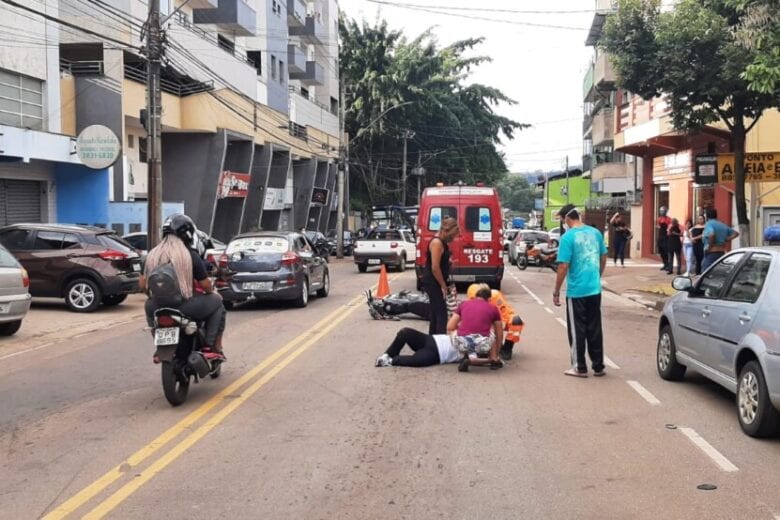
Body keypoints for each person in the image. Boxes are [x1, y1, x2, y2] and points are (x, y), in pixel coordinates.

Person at [141, 214, 226, 359]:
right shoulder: (189, 255)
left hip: (156, 306)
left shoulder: (151, 255)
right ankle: (210, 346)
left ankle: (159, 346)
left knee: (148, 306)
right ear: (187, 234)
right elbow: (206, 286)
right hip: (185, 307)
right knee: (217, 302)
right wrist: (211, 291)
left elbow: (143, 286)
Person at [552, 204, 607, 378]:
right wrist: (597, 276)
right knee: (594, 327)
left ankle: (579, 366)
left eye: (562, 220)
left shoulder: (568, 238)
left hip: (577, 291)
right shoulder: (595, 233)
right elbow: (603, 257)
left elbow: (563, 266)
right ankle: (598, 366)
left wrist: (556, 291)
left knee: (577, 329)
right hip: (594, 288)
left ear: (567, 219)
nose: (563, 223)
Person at [447, 283, 504, 371]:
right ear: (489, 299)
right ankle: (493, 359)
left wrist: (461, 329)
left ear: (475, 296)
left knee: (458, 331)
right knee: (493, 332)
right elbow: (499, 333)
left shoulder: (463, 304)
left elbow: (450, 326)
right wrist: (497, 351)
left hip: (460, 343)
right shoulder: (493, 308)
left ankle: (465, 355)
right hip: (482, 344)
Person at [464, 283, 525, 361]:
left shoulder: (496, 297)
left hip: (498, 321)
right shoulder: (471, 297)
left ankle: (507, 348)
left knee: (516, 321)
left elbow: (504, 314)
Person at [420, 216, 459, 335]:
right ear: (445, 231)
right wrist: (443, 286)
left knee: (435, 312)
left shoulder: (442, 242)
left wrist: (448, 263)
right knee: (441, 313)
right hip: (433, 282)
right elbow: (435, 267)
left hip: (435, 281)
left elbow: (439, 263)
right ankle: (440, 342)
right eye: (452, 235)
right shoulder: (437, 243)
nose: (453, 238)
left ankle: (432, 339)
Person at [374, 327, 460, 368]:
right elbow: (449, 327)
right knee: (405, 332)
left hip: (438, 353)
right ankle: (388, 355)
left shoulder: (472, 346)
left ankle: (390, 361)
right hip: (432, 339)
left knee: (417, 360)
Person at [657, 207, 672, 271]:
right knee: (661, 251)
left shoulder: (669, 219)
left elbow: (670, 226)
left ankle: (668, 265)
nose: (662, 212)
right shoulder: (659, 219)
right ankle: (665, 264)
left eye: (663, 211)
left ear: (666, 211)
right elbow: (658, 226)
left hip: (666, 237)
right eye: (661, 211)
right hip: (660, 236)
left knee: (666, 251)